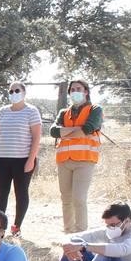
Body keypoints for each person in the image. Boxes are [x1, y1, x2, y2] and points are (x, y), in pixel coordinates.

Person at [0, 82, 43, 237]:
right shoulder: (2, 111)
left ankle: (16, 226)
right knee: (1, 193)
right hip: (1, 159)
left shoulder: (31, 111)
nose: (13, 93)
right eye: (11, 91)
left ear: (24, 92)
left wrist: (31, 160)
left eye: (17, 90)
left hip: (23, 159)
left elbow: (36, 137)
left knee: (21, 192)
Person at [51, 79, 104, 235]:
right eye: (72, 89)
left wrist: (66, 132)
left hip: (85, 159)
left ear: (86, 91)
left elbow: (87, 128)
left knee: (79, 198)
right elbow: (53, 131)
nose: (75, 92)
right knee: (66, 199)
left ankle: (81, 235)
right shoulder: (63, 112)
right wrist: (76, 130)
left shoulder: (95, 109)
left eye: (78, 88)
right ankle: (68, 233)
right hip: (64, 160)